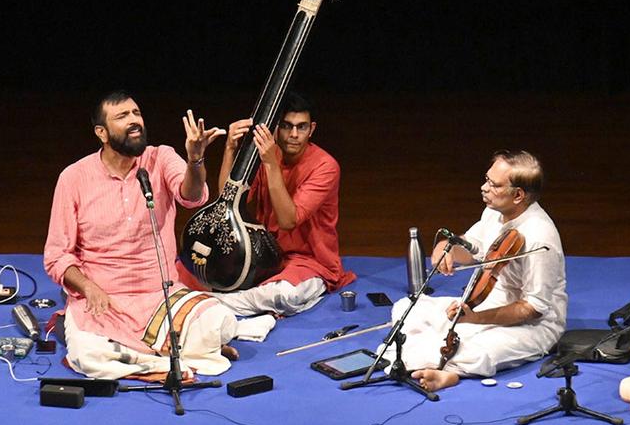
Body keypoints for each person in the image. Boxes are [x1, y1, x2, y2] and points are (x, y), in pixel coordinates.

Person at [43, 91, 239, 379]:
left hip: (159, 297)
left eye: (136, 113)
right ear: (102, 133)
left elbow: (192, 197)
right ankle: (172, 362)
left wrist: (195, 160)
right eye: (122, 117)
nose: (134, 121)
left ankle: (152, 357)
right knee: (87, 357)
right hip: (105, 302)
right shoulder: (74, 178)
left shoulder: (161, 158)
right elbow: (57, 255)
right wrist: (88, 288)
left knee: (222, 320)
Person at [388, 151, 567, 392]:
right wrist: (448, 249)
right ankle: (433, 357)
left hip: (533, 325)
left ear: (518, 195)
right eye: (486, 179)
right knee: (406, 308)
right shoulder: (494, 212)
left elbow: (533, 309)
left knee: (474, 352)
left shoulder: (539, 237)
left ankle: (450, 372)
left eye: (494, 185)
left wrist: (475, 319)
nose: (484, 188)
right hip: (481, 303)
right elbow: (471, 247)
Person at [201, 93, 355, 317]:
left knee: (285, 296)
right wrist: (230, 150)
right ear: (276, 128)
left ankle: (214, 302)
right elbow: (228, 200)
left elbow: (288, 220)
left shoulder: (325, 166)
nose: (294, 135)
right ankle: (234, 300)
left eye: (301, 127)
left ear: (311, 129)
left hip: (311, 262)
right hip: (267, 257)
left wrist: (271, 165)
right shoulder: (267, 155)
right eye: (287, 126)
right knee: (198, 268)